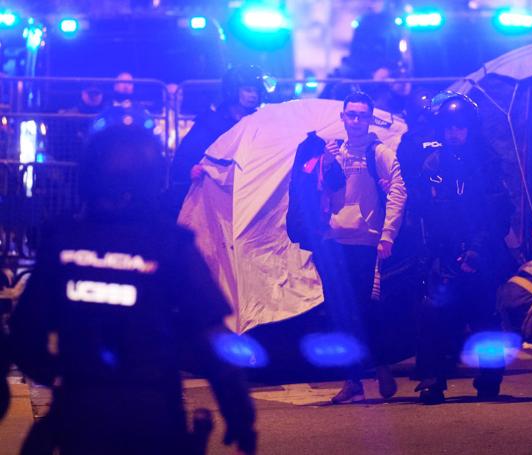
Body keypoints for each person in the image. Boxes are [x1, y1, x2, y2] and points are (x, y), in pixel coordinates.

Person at [9, 124, 257, 454]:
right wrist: (238, 413)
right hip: (153, 413)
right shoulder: (170, 243)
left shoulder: (63, 240)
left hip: (82, 413)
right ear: (154, 178)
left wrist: (62, 378)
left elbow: (26, 334)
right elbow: (211, 337)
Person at [399, 91, 513, 404]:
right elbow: (422, 209)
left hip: (480, 253)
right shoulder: (434, 163)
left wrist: (478, 250)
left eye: (460, 126)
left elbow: (497, 213)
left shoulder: (487, 163)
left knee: (484, 318)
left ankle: (490, 377)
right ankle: (433, 380)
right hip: (444, 253)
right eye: (449, 126)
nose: (454, 132)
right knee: (435, 316)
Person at [313, 91, 407, 404]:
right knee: (340, 312)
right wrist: (324, 162)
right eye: (351, 114)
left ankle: (380, 364)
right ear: (342, 117)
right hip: (333, 240)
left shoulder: (378, 151)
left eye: (361, 115)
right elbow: (320, 194)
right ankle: (352, 378)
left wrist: (387, 235)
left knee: (366, 309)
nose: (355, 120)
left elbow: (398, 190)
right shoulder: (333, 150)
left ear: (369, 118)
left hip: (366, 241)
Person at [167, 64, 268, 218]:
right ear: (233, 90)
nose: (253, 95)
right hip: (213, 201)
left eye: (256, 91)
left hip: (249, 196)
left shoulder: (261, 122)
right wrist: (190, 169)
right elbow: (183, 158)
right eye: (248, 90)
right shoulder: (210, 121)